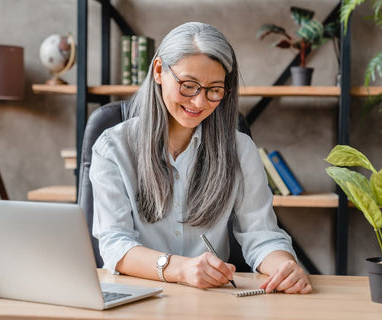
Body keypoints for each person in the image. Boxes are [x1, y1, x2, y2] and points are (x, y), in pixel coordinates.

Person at [90, 22, 312, 294]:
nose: (199, 102)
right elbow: (115, 245)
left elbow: (261, 234)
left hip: (211, 301)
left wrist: (285, 266)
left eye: (214, 89)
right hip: (137, 298)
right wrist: (181, 269)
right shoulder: (113, 147)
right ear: (159, 71)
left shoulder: (240, 149)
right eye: (188, 85)